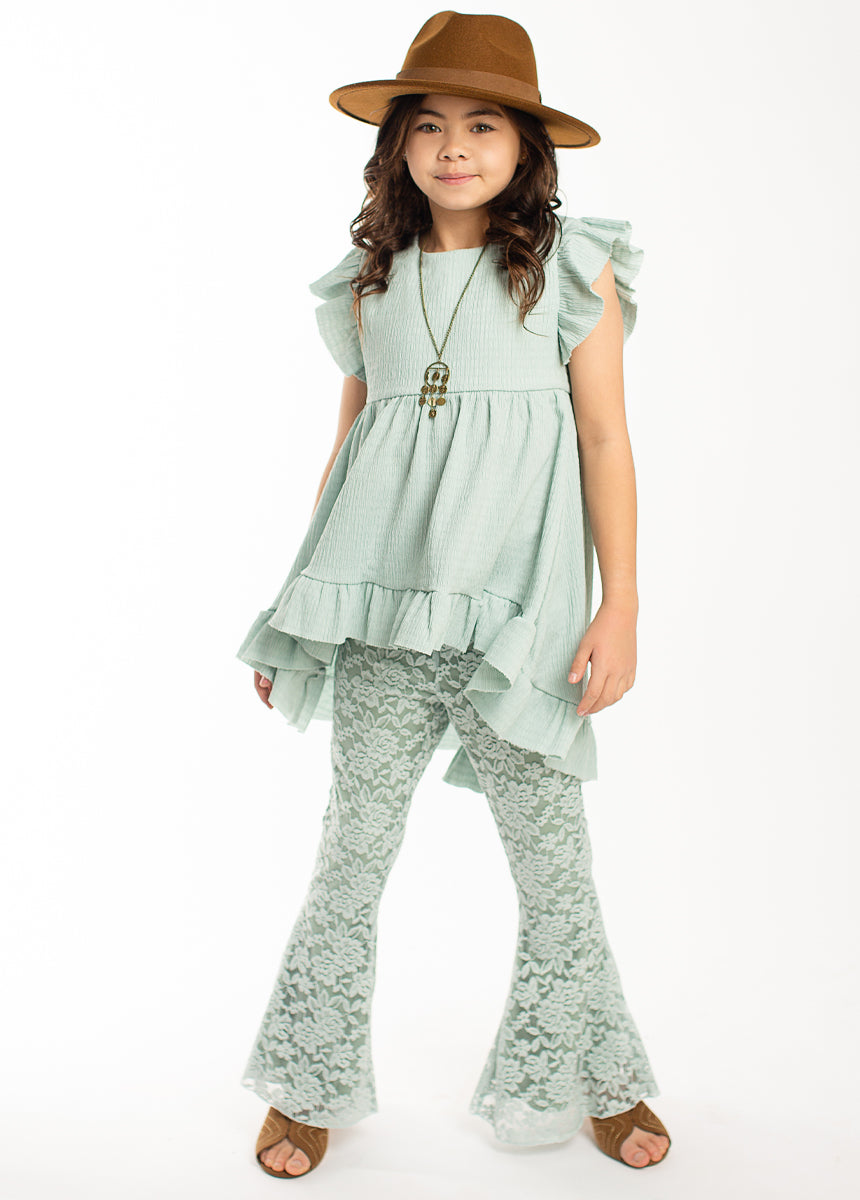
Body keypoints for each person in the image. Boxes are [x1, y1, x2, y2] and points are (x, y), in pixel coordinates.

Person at [237, 10, 672, 1179]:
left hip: (519, 620)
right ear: (396, 148)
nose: (453, 147)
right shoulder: (370, 281)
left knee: (553, 867)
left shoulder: (569, 268)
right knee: (351, 855)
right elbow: (351, 449)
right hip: (380, 614)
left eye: (482, 125)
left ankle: (598, 1077)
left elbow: (602, 437)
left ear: (525, 146)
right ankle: (308, 1083)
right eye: (426, 125)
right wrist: (294, 612)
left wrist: (620, 605)